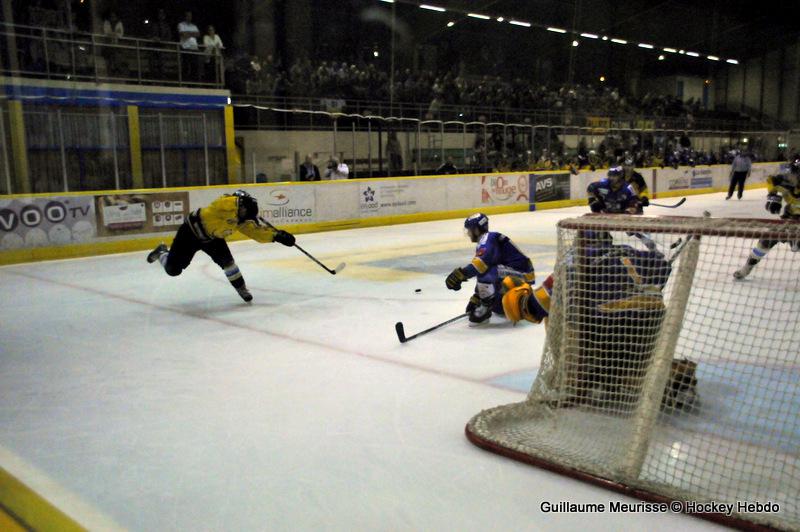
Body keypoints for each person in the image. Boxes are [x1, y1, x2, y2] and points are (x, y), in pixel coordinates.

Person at [500, 233, 696, 410]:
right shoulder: (626, 250)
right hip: (653, 321)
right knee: (632, 361)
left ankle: (575, 374)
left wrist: (518, 297)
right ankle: (670, 373)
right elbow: (661, 270)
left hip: (612, 326)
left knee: (556, 314)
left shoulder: (573, 260)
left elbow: (536, 306)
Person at [146, 190, 295, 302]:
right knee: (173, 270)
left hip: (213, 239)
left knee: (228, 263)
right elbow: (227, 201)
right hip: (190, 233)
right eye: (244, 210)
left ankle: (241, 289)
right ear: (240, 203)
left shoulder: (242, 219)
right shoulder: (224, 205)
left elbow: (256, 232)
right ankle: (162, 253)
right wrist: (239, 200)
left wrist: (277, 236)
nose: (245, 215)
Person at [445, 213, 535, 324]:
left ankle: (485, 308)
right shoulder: (488, 240)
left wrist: (460, 275)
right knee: (497, 306)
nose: (468, 233)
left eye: (469, 230)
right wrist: (477, 297)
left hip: (523, 276)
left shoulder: (487, 238)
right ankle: (516, 302)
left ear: (477, 230)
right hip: (516, 277)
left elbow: (480, 265)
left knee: (486, 270)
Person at [733, 159, 800, 280]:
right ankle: (747, 268)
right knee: (766, 240)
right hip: (788, 219)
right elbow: (771, 180)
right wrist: (774, 197)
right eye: (793, 173)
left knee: (797, 245)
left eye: (796, 174)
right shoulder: (784, 181)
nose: (792, 177)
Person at [178, 12, 201, 81]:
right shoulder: (181, 24)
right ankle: (185, 81)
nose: (189, 17)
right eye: (188, 16)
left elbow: (198, 34)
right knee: (186, 66)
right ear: (185, 17)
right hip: (185, 47)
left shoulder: (194, 26)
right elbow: (183, 34)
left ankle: (194, 82)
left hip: (194, 48)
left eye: (190, 16)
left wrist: (188, 33)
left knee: (195, 66)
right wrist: (192, 33)